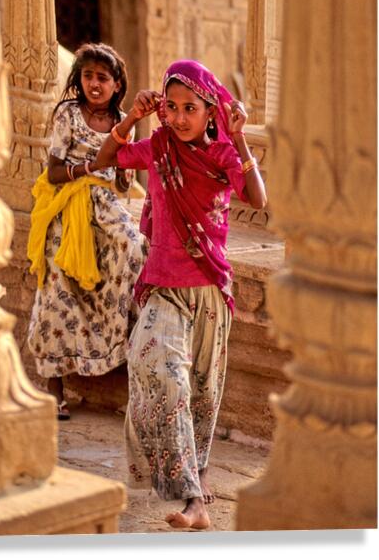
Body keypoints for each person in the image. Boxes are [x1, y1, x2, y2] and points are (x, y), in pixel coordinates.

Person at [87, 59, 266, 530]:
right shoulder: (158, 147)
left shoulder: (223, 155)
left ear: (211, 112)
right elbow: (108, 159)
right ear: (162, 111)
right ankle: (191, 492)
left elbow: (258, 198)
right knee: (162, 373)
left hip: (208, 290)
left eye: (191, 108)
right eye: (172, 107)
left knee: (202, 394)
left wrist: (239, 136)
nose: (180, 116)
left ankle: (197, 493)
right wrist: (131, 119)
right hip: (162, 287)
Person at [26, 42, 146, 420]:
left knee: (136, 253)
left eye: (103, 78)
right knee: (56, 291)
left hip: (105, 208)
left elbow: (124, 186)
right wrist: (89, 168)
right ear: (79, 79)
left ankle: (132, 375)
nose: (95, 84)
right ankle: (55, 390)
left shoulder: (124, 120)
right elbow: (54, 170)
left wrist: (123, 171)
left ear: (116, 84)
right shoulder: (68, 114)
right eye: (89, 76)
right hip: (67, 207)